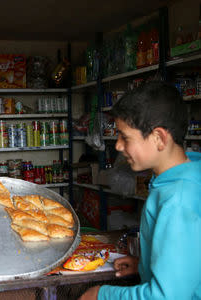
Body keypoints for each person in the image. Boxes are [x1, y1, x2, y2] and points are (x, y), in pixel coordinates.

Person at [80, 81, 201, 300]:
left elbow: (167, 297)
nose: (117, 146)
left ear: (159, 138)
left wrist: (101, 295)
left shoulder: (178, 199)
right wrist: (144, 266)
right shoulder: (181, 177)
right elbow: (188, 261)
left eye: (125, 137)